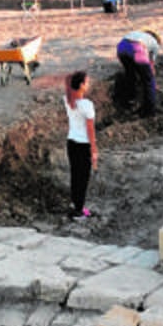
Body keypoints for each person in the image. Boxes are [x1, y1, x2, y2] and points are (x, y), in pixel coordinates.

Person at [64, 71, 98, 220]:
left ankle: (75, 204)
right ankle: (79, 211)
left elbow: (67, 82)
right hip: (83, 145)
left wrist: (70, 79)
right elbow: (90, 129)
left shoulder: (67, 99)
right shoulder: (87, 105)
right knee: (83, 178)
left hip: (71, 143)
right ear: (82, 85)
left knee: (75, 175)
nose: (88, 84)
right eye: (87, 82)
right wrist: (94, 150)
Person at [115, 29, 162, 118]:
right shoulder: (155, 44)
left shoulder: (136, 33)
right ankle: (149, 111)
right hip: (137, 49)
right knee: (149, 82)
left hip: (121, 48)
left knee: (131, 76)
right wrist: (153, 82)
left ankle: (129, 103)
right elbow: (150, 65)